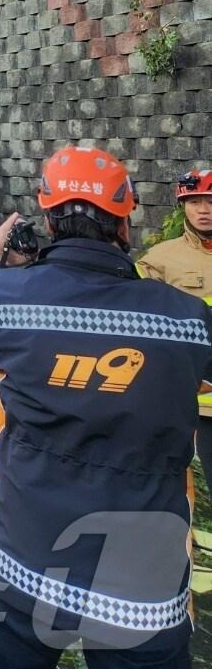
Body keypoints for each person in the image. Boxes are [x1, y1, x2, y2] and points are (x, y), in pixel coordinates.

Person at [0, 146, 212, 668]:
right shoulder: (188, 321)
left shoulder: (5, 299)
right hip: (142, 589)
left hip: (22, 567)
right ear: (125, 222)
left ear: (47, 217)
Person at [139, 170, 212, 483]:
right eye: (194, 201)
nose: (203, 209)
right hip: (194, 401)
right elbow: (142, 326)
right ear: (183, 206)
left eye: (210, 201)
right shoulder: (158, 260)